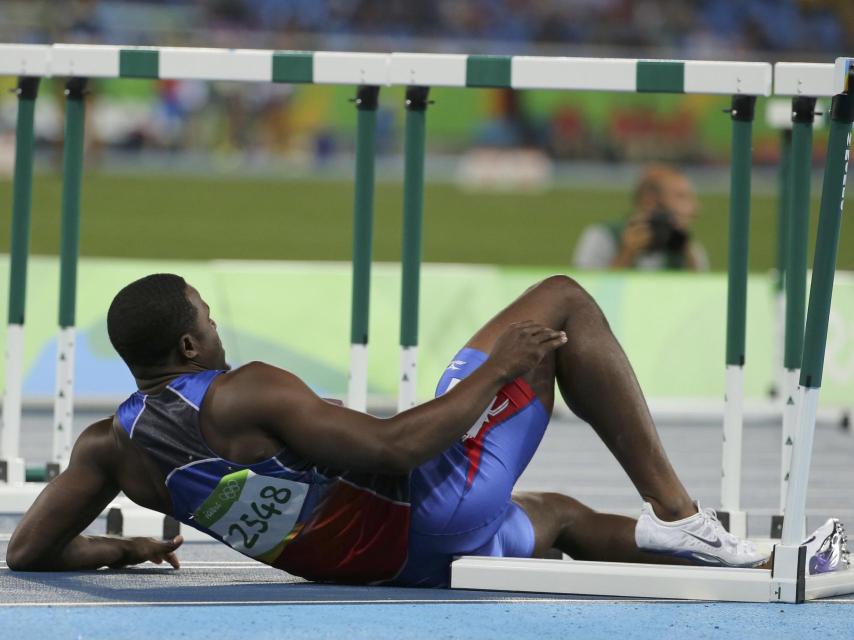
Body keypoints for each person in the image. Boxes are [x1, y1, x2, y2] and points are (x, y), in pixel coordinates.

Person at [6, 274, 845, 585]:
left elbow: (27, 553)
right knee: (561, 303)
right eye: (209, 318)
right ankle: (683, 515)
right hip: (425, 514)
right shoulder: (242, 391)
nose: (218, 329)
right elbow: (398, 448)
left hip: (381, 567)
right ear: (191, 345)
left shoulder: (106, 450)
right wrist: (500, 367)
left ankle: (747, 557)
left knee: (551, 515)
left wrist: (118, 550)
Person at [572, 164, 709, 271]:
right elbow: (586, 298)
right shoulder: (601, 237)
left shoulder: (691, 250)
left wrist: (688, 255)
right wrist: (627, 254)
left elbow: (700, 299)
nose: (694, 209)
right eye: (681, 197)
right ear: (650, 200)